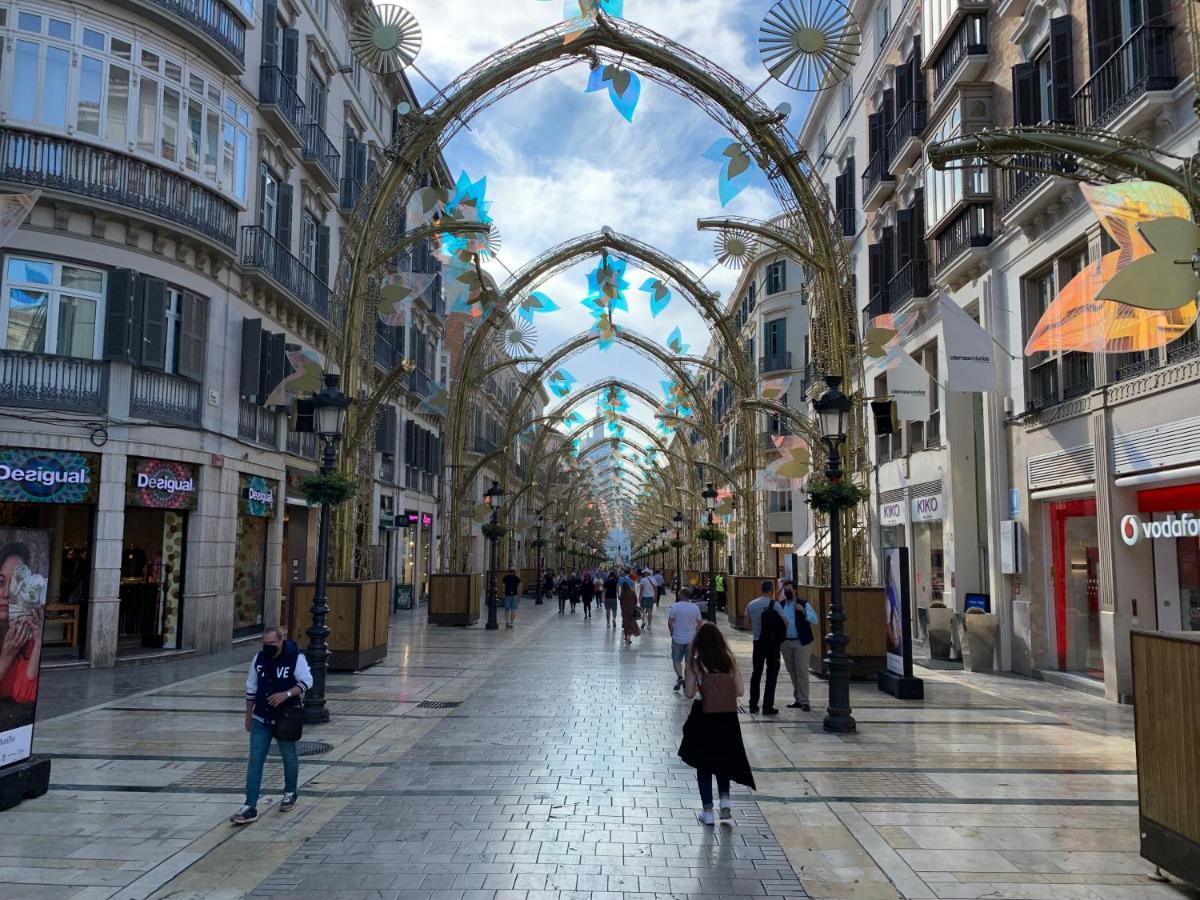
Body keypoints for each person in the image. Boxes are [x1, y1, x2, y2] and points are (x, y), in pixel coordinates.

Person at [230, 627, 312, 825]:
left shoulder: (295, 658)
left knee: (288, 754)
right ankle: (250, 805)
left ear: (281, 641)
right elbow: (251, 687)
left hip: (285, 716)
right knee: (255, 759)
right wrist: (248, 715)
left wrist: (287, 694)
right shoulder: (258, 659)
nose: (268, 647)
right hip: (261, 716)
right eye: (265, 644)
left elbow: (307, 681)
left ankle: (290, 792)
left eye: (272, 644)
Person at [678, 621, 755, 825]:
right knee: (723, 760)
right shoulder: (730, 661)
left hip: (704, 716)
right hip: (727, 717)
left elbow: (689, 693)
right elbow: (739, 691)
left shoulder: (695, 663)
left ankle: (708, 812)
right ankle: (725, 802)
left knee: (703, 763)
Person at [0, 542, 45, 707]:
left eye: (15, 584)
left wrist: (38, 645)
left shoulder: (27, 634)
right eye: (0, 583)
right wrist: (6, 656)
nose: (6, 594)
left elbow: (24, 695)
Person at [744, 580, 785, 716]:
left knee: (756, 674)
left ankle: (753, 704)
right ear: (772, 590)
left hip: (758, 642)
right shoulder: (776, 605)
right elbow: (785, 622)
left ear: (761, 589)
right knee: (771, 674)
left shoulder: (751, 604)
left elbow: (746, 624)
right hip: (773, 644)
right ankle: (768, 706)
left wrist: (756, 629)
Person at [778, 584, 818, 711]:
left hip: (802, 642)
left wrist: (803, 611)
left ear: (795, 590)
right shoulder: (781, 605)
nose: (787, 591)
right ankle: (798, 699)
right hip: (785, 642)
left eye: (789, 589)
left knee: (802, 671)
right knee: (792, 671)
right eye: (785, 590)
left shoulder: (803, 603)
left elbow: (814, 619)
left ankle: (805, 701)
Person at [668, 587, 704, 691]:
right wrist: (695, 632)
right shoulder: (695, 608)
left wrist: (672, 632)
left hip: (677, 638)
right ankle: (687, 683)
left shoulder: (674, 607)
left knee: (676, 660)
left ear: (681, 595)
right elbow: (700, 623)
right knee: (689, 663)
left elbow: (670, 623)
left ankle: (679, 676)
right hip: (690, 639)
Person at [618, 568, 641, 645]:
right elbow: (636, 600)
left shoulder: (623, 595)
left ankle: (626, 635)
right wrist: (633, 606)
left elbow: (621, 602)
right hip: (631, 610)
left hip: (624, 611)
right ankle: (629, 637)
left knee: (625, 623)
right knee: (631, 622)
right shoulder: (632, 592)